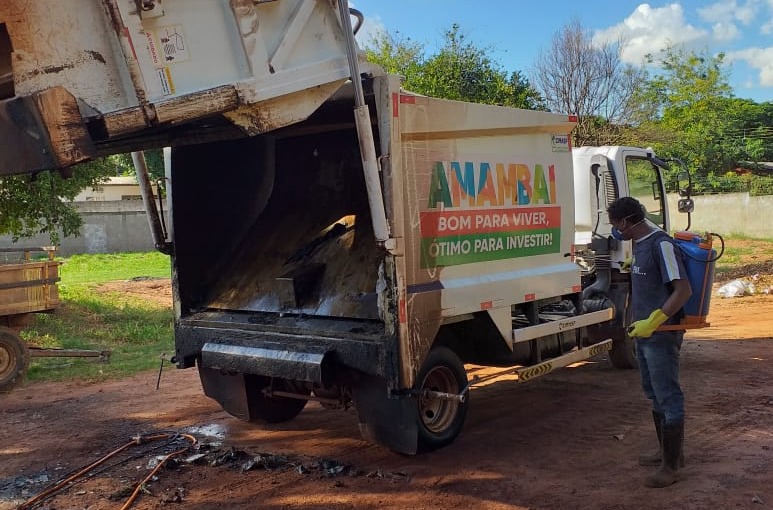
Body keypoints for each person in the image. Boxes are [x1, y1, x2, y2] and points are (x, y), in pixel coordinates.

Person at [607, 197, 692, 488]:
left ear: (626, 222)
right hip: (643, 333)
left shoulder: (661, 244)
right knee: (654, 393)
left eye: (616, 225)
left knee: (668, 395)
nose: (616, 231)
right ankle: (666, 453)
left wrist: (655, 321)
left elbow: (683, 290)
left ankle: (671, 467)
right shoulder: (640, 244)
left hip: (661, 334)